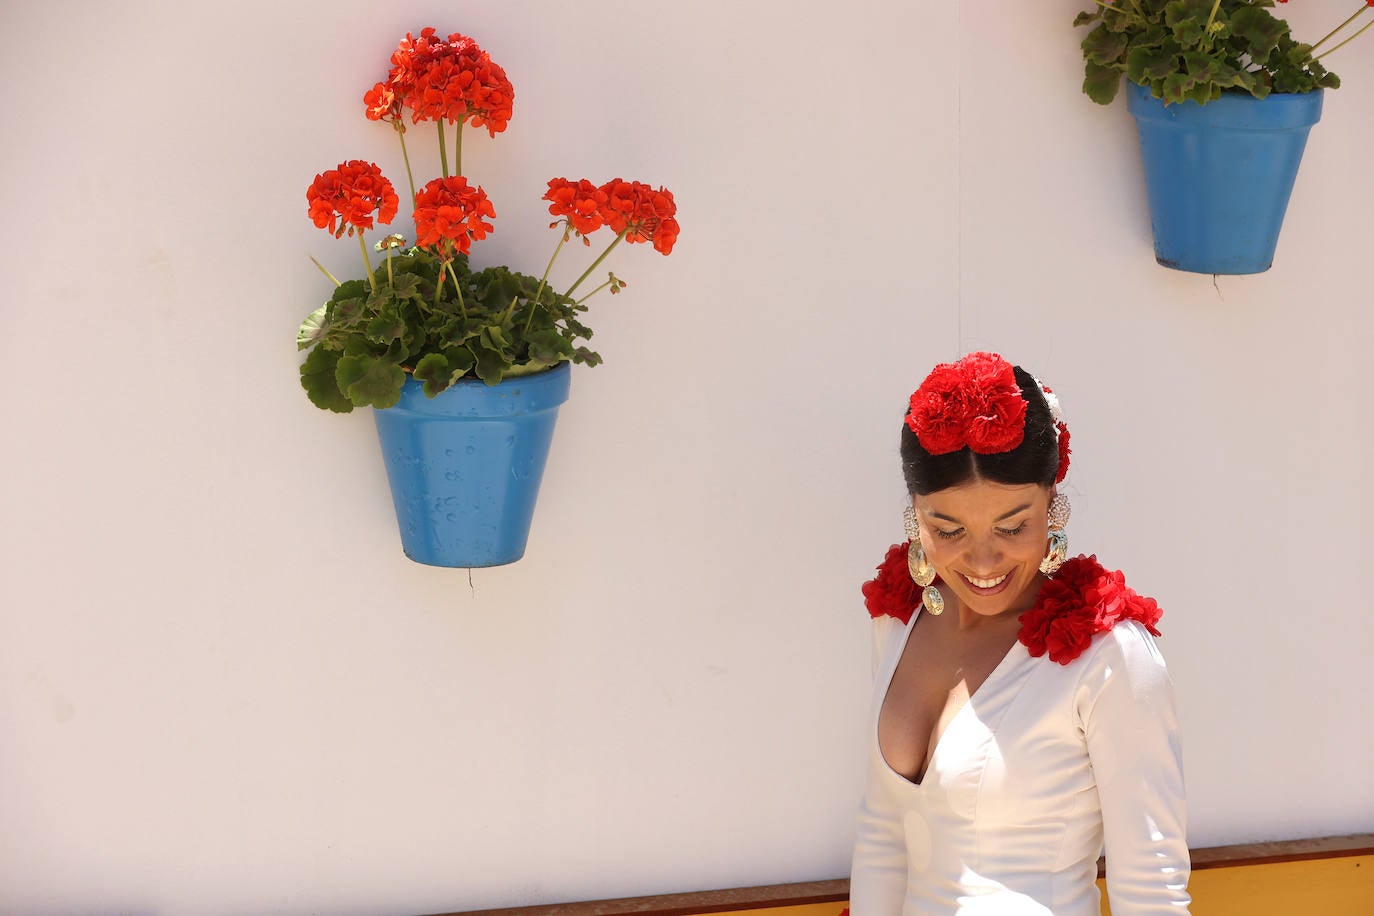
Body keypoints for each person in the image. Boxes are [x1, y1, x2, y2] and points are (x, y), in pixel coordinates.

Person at [851, 352, 1190, 915]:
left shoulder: (1108, 655)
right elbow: (882, 836)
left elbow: (1152, 889)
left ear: (1052, 507)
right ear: (914, 515)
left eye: (1013, 526)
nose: (983, 560)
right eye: (948, 528)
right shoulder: (900, 620)